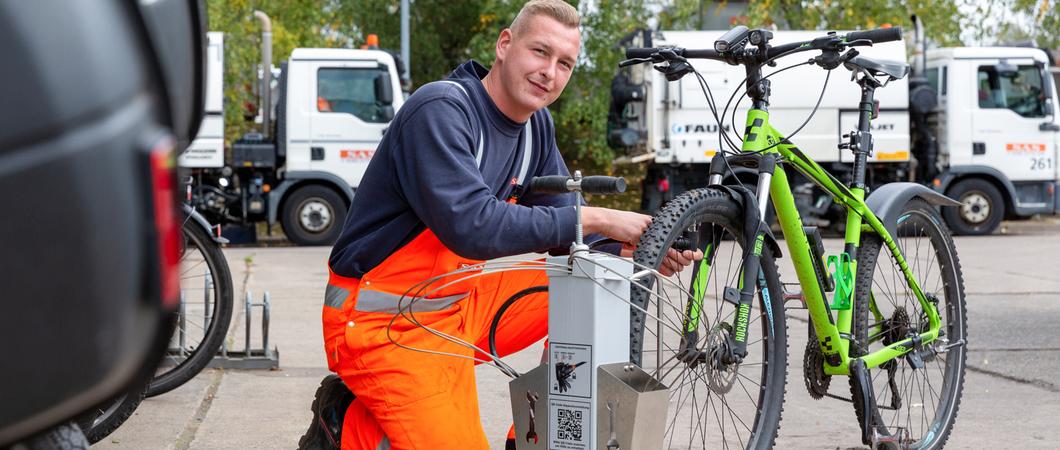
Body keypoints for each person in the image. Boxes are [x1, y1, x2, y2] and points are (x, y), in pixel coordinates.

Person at [300, 2, 699, 449]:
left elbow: (569, 231)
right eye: (540, 52)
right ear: (505, 45)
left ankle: (532, 437)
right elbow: (472, 227)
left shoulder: (534, 128)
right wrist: (603, 216)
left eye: (564, 63)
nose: (549, 72)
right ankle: (346, 424)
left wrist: (638, 250)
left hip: (459, 303)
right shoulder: (440, 110)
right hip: (381, 323)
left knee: (597, 283)